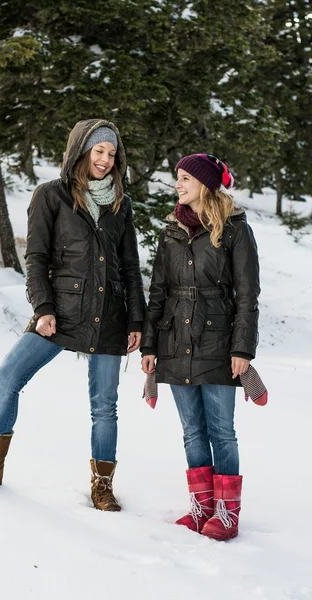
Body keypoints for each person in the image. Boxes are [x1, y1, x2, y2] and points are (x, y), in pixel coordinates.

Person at [0, 119, 146, 512]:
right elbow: (36, 258)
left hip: (109, 317)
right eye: (98, 152)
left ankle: (102, 485)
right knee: (8, 376)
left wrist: (137, 321)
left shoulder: (120, 206)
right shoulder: (51, 196)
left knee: (105, 404)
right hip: (60, 313)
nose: (105, 160)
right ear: (81, 151)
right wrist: (43, 308)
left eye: (111, 153)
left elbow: (130, 268)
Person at [141, 154, 260, 540]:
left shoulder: (235, 228)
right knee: (192, 431)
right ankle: (201, 506)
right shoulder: (171, 230)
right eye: (177, 177)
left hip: (219, 341)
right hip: (176, 340)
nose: (178, 184)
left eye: (186, 177)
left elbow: (247, 294)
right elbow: (158, 291)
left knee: (221, 430)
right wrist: (149, 345)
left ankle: (227, 513)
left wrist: (242, 348)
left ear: (206, 183)